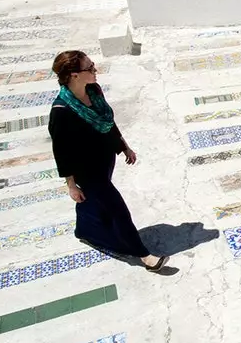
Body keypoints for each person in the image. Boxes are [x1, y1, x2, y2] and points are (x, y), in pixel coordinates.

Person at [49, 50, 167, 271]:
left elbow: (108, 122)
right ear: (74, 75)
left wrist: (124, 147)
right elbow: (61, 151)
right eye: (90, 68)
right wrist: (71, 185)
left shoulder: (93, 91)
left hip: (104, 161)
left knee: (93, 202)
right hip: (86, 170)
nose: (95, 71)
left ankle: (85, 231)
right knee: (117, 209)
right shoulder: (61, 111)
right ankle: (144, 256)